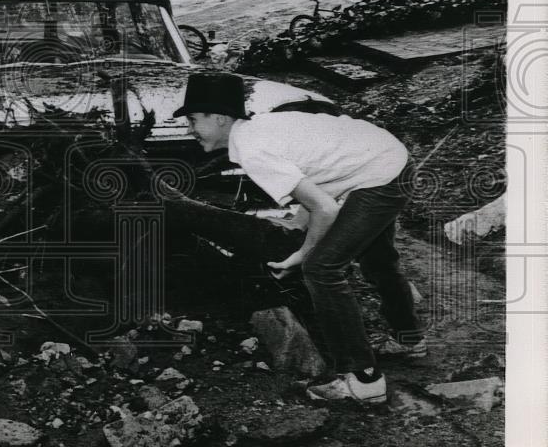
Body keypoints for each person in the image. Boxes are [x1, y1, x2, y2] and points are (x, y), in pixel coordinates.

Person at [174, 72, 425, 404]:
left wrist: (304, 254)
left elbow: (323, 208)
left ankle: (364, 379)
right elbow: (316, 191)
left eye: (193, 119)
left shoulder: (252, 150)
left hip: (379, 175)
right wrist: (299, 228)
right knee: (377, 258)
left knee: (322, 270)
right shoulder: (257, 129)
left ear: (220, 118)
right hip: (388, 158)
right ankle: (408, 339)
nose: (189, 129)